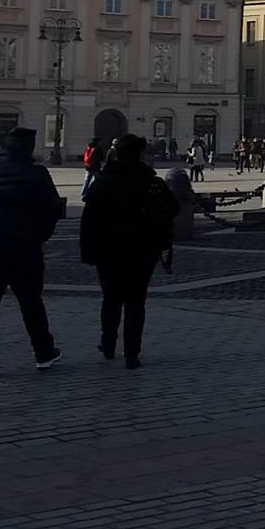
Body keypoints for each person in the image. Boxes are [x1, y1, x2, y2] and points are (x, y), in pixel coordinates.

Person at [0, 128, 66, 378]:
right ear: (29, 147)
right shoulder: (36, 173)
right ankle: (43, 352)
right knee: (31, 302)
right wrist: (39, 235)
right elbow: (52, 209)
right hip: (24, 246)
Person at [78, 135, 177, 368]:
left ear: (116, 155)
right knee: (136, 302)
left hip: (107, 250)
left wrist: (87, 251)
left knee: (111, 299)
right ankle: (132, 353)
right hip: (143, 249)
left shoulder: (102, 182)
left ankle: (108, 345)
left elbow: (88, 220)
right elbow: (173, 207)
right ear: (140, 155)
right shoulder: (151, 182)